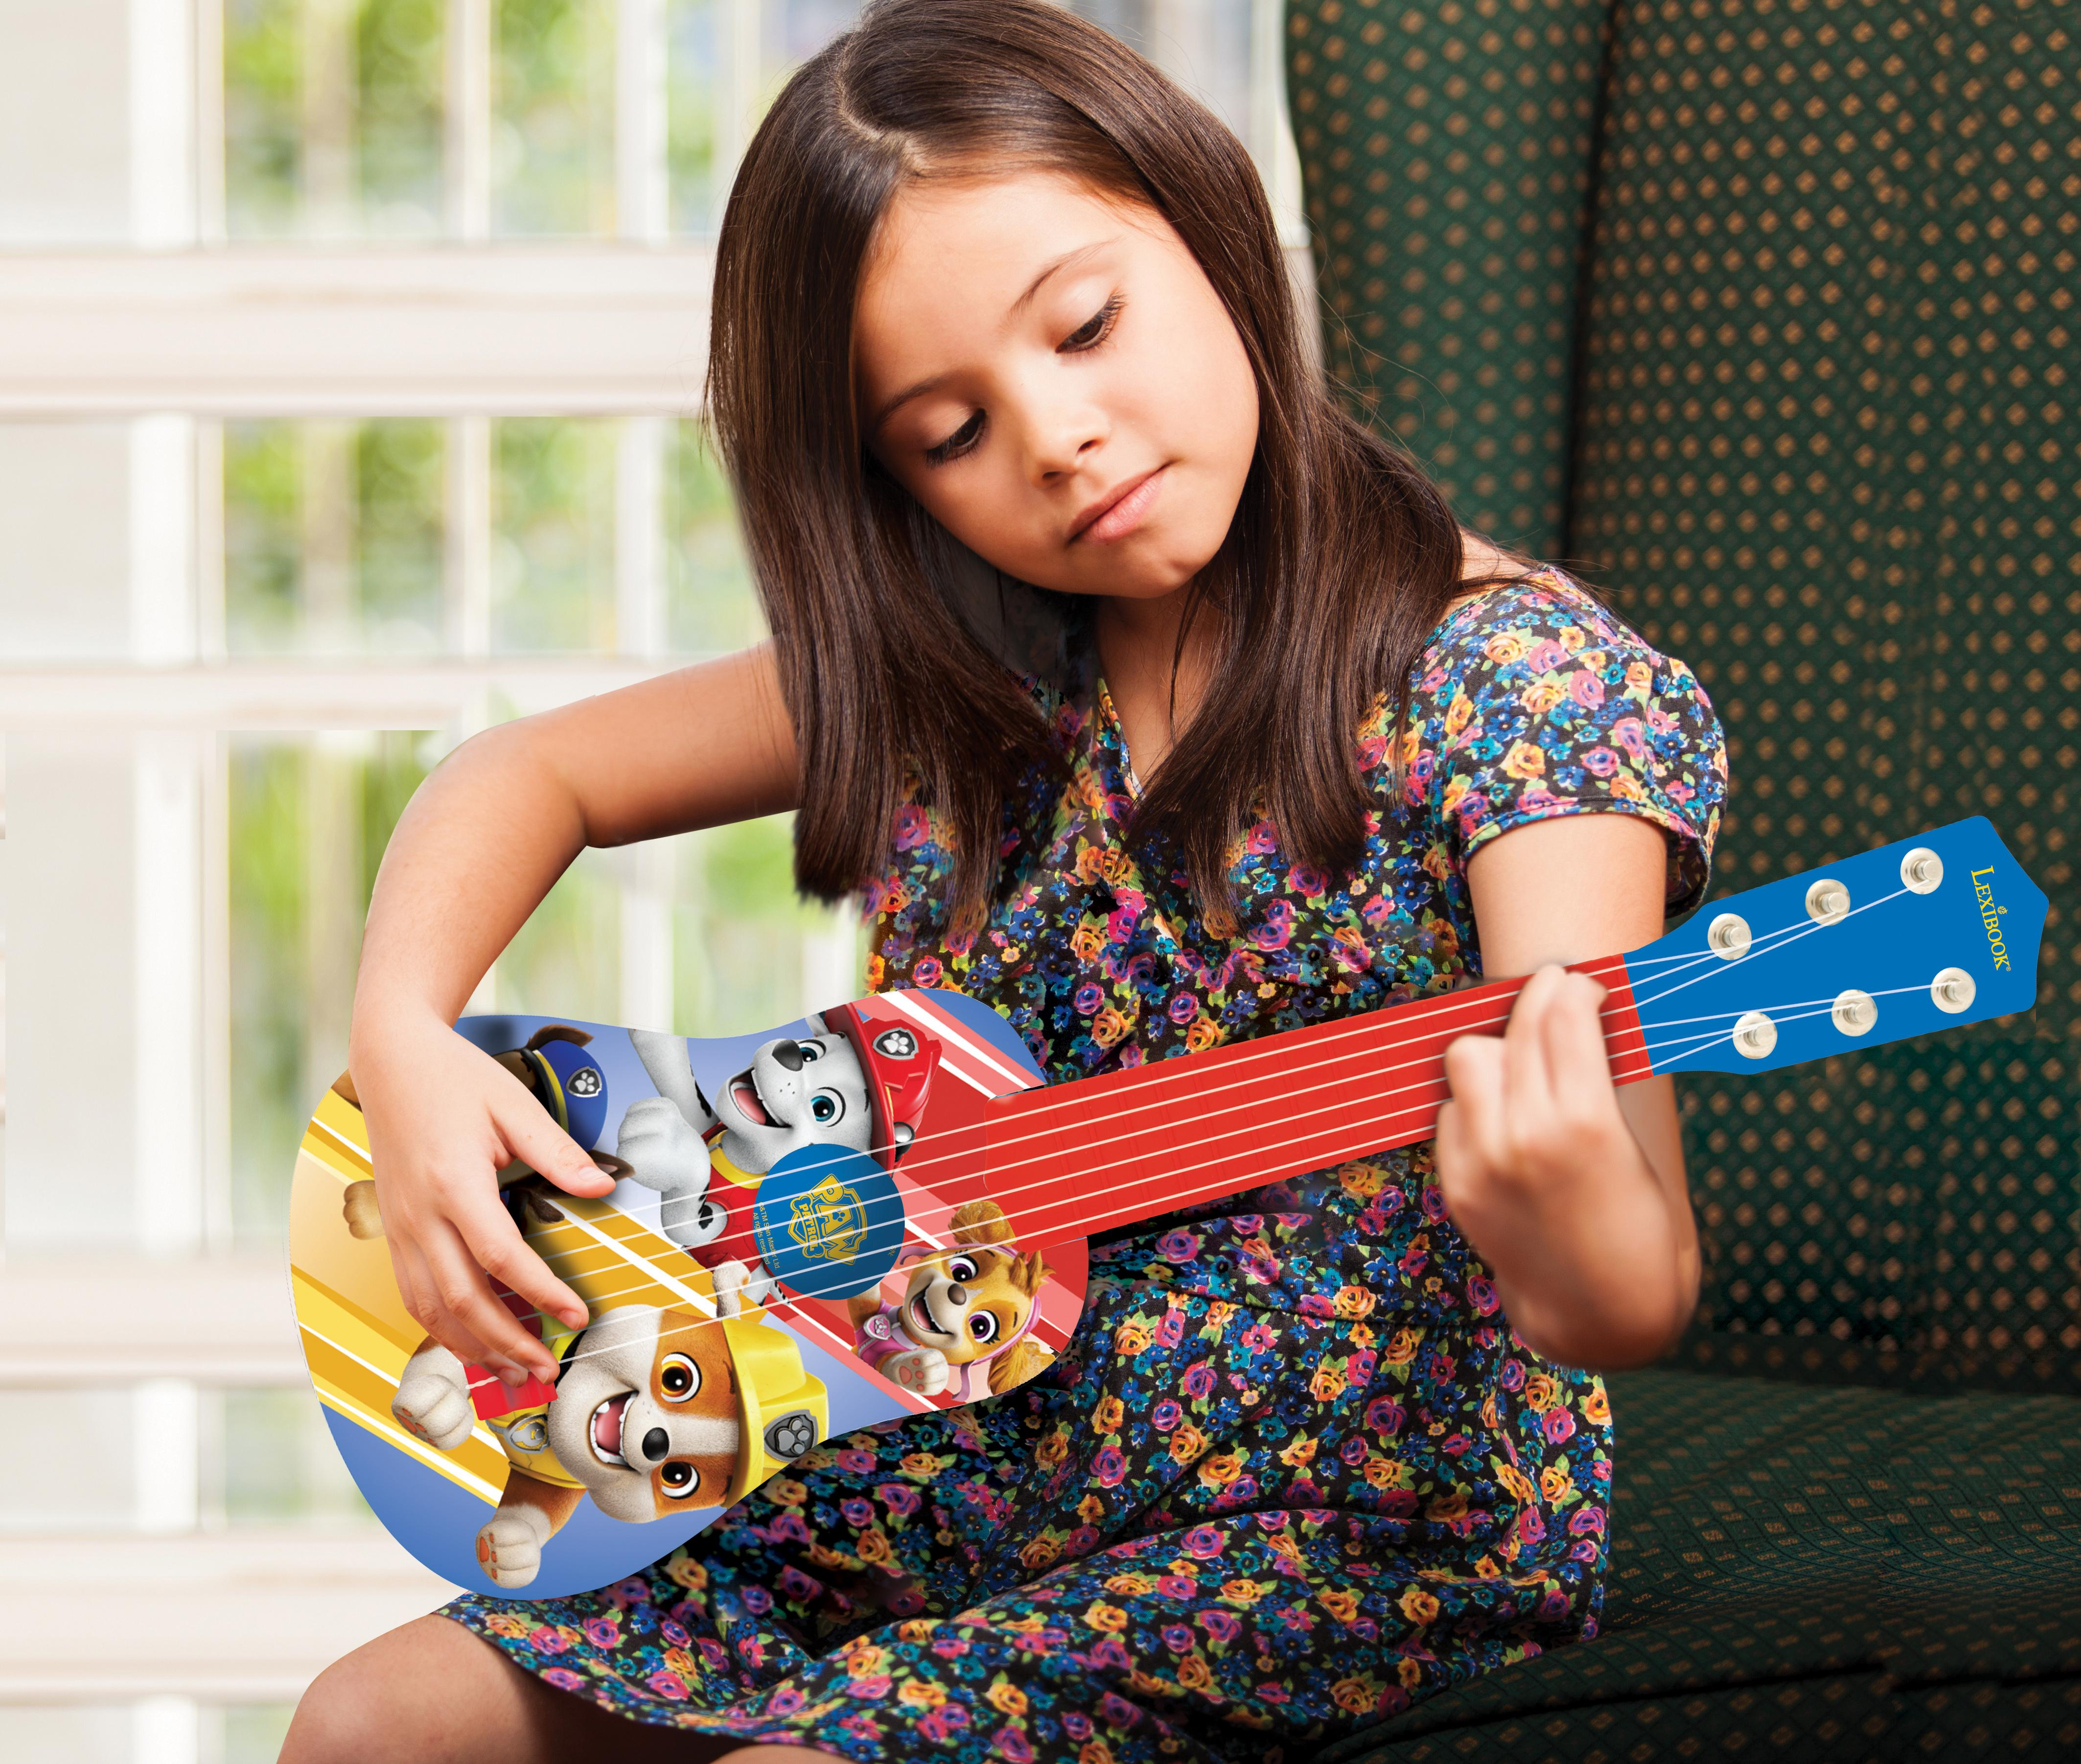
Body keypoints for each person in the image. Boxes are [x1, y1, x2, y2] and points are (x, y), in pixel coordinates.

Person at [280, 2, 1726, 1760]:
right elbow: (527, 771)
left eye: (1088, 325)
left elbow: (1627, 1281)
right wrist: (402, 1032)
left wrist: (1568, 1230)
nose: (1056, 437)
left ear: (1208, 226)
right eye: (949, 430)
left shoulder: (1521, 694)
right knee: (366, 1725)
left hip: (1336, 1519)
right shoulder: (956, 667)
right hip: (944, 1451)